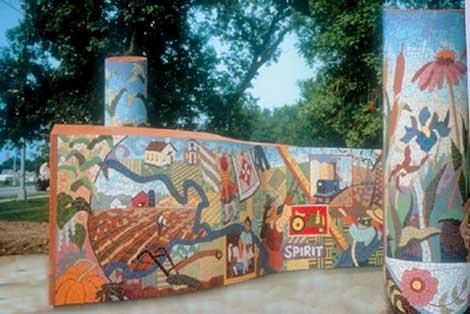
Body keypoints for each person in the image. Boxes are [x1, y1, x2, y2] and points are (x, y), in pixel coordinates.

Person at [217, 153, 238, 224]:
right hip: (228, 188)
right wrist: (227, 157)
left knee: (228, 203)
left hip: (227, 188)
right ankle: (232, 215)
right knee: (230, 202)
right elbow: (229, 165)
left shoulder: (221, 171)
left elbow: (218, 164)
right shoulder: (226, 171)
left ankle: (231, 216)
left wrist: (217, 156)